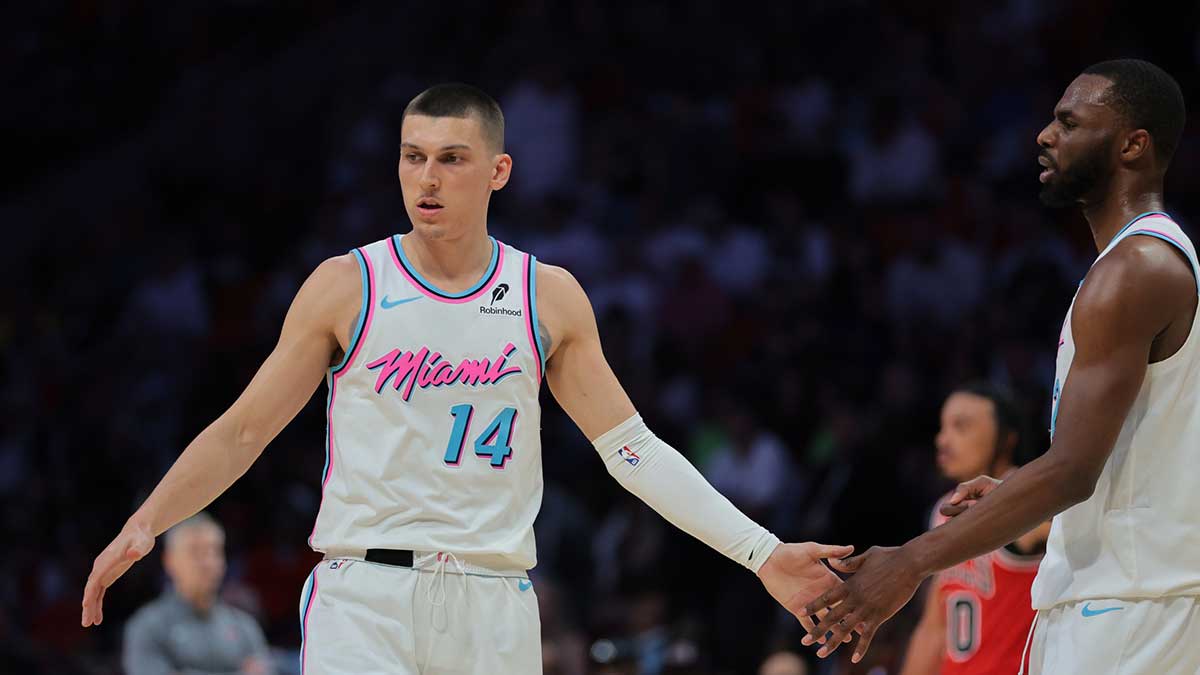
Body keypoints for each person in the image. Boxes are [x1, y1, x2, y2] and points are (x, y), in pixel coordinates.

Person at [81, 83, 851, 674]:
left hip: (495, 601)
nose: (428, 177)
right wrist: (146, 522)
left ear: (498, 170)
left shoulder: (545, 296)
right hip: (365, 595)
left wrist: (762, 551)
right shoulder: (348, 285)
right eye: (413, 156)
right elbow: (245, 429)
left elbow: (633, 450)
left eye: (451, 158)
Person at [801, 59, 1200, 674]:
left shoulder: (1135, 270)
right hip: (1120, 602)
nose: (1045, 134)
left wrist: (910, 561)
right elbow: (1112, 460)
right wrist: (1016, 491)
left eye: (1070, 123)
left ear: (1133, 145)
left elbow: (1072, 471)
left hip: (1131, 610)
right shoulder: (1137, 263)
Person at [899, 383, 1047, 675]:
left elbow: (1073, 526)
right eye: (942, 427)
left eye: (961, 427)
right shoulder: (944, 508)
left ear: (1006, 439)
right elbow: (933, 629)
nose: (942, 440)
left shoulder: (1028, 500)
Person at [123, 513, 273, 675]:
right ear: (169, 560)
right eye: (195, 552)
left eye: (215, 551)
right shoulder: (148, 627)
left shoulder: (244, 626)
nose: (208, 562)